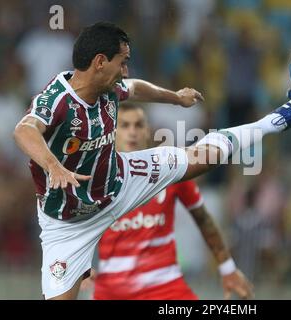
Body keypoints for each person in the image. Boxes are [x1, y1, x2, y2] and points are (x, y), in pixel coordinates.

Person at [13, 21, 291, 300]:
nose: (125, 71)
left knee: (202, 159)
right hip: (67, 224)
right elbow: (25, 130)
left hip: (119, 182)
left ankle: (278, 119)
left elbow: (136, 87)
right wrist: (54, 166)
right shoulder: (56, 99)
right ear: (100, 61)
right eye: (122, 62)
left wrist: (175, 98)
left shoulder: (109, 86)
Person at [82, 102, 253, 300]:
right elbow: (72, 226)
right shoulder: (96, 176)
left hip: (165, 286)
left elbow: (203, 218)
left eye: (138, 125)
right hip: (113, 289)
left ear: (148, 131)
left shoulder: (170, 168)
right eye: (125, 125)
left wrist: (227, 268)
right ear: (113, 132)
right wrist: (79, 268)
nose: (132, 132)